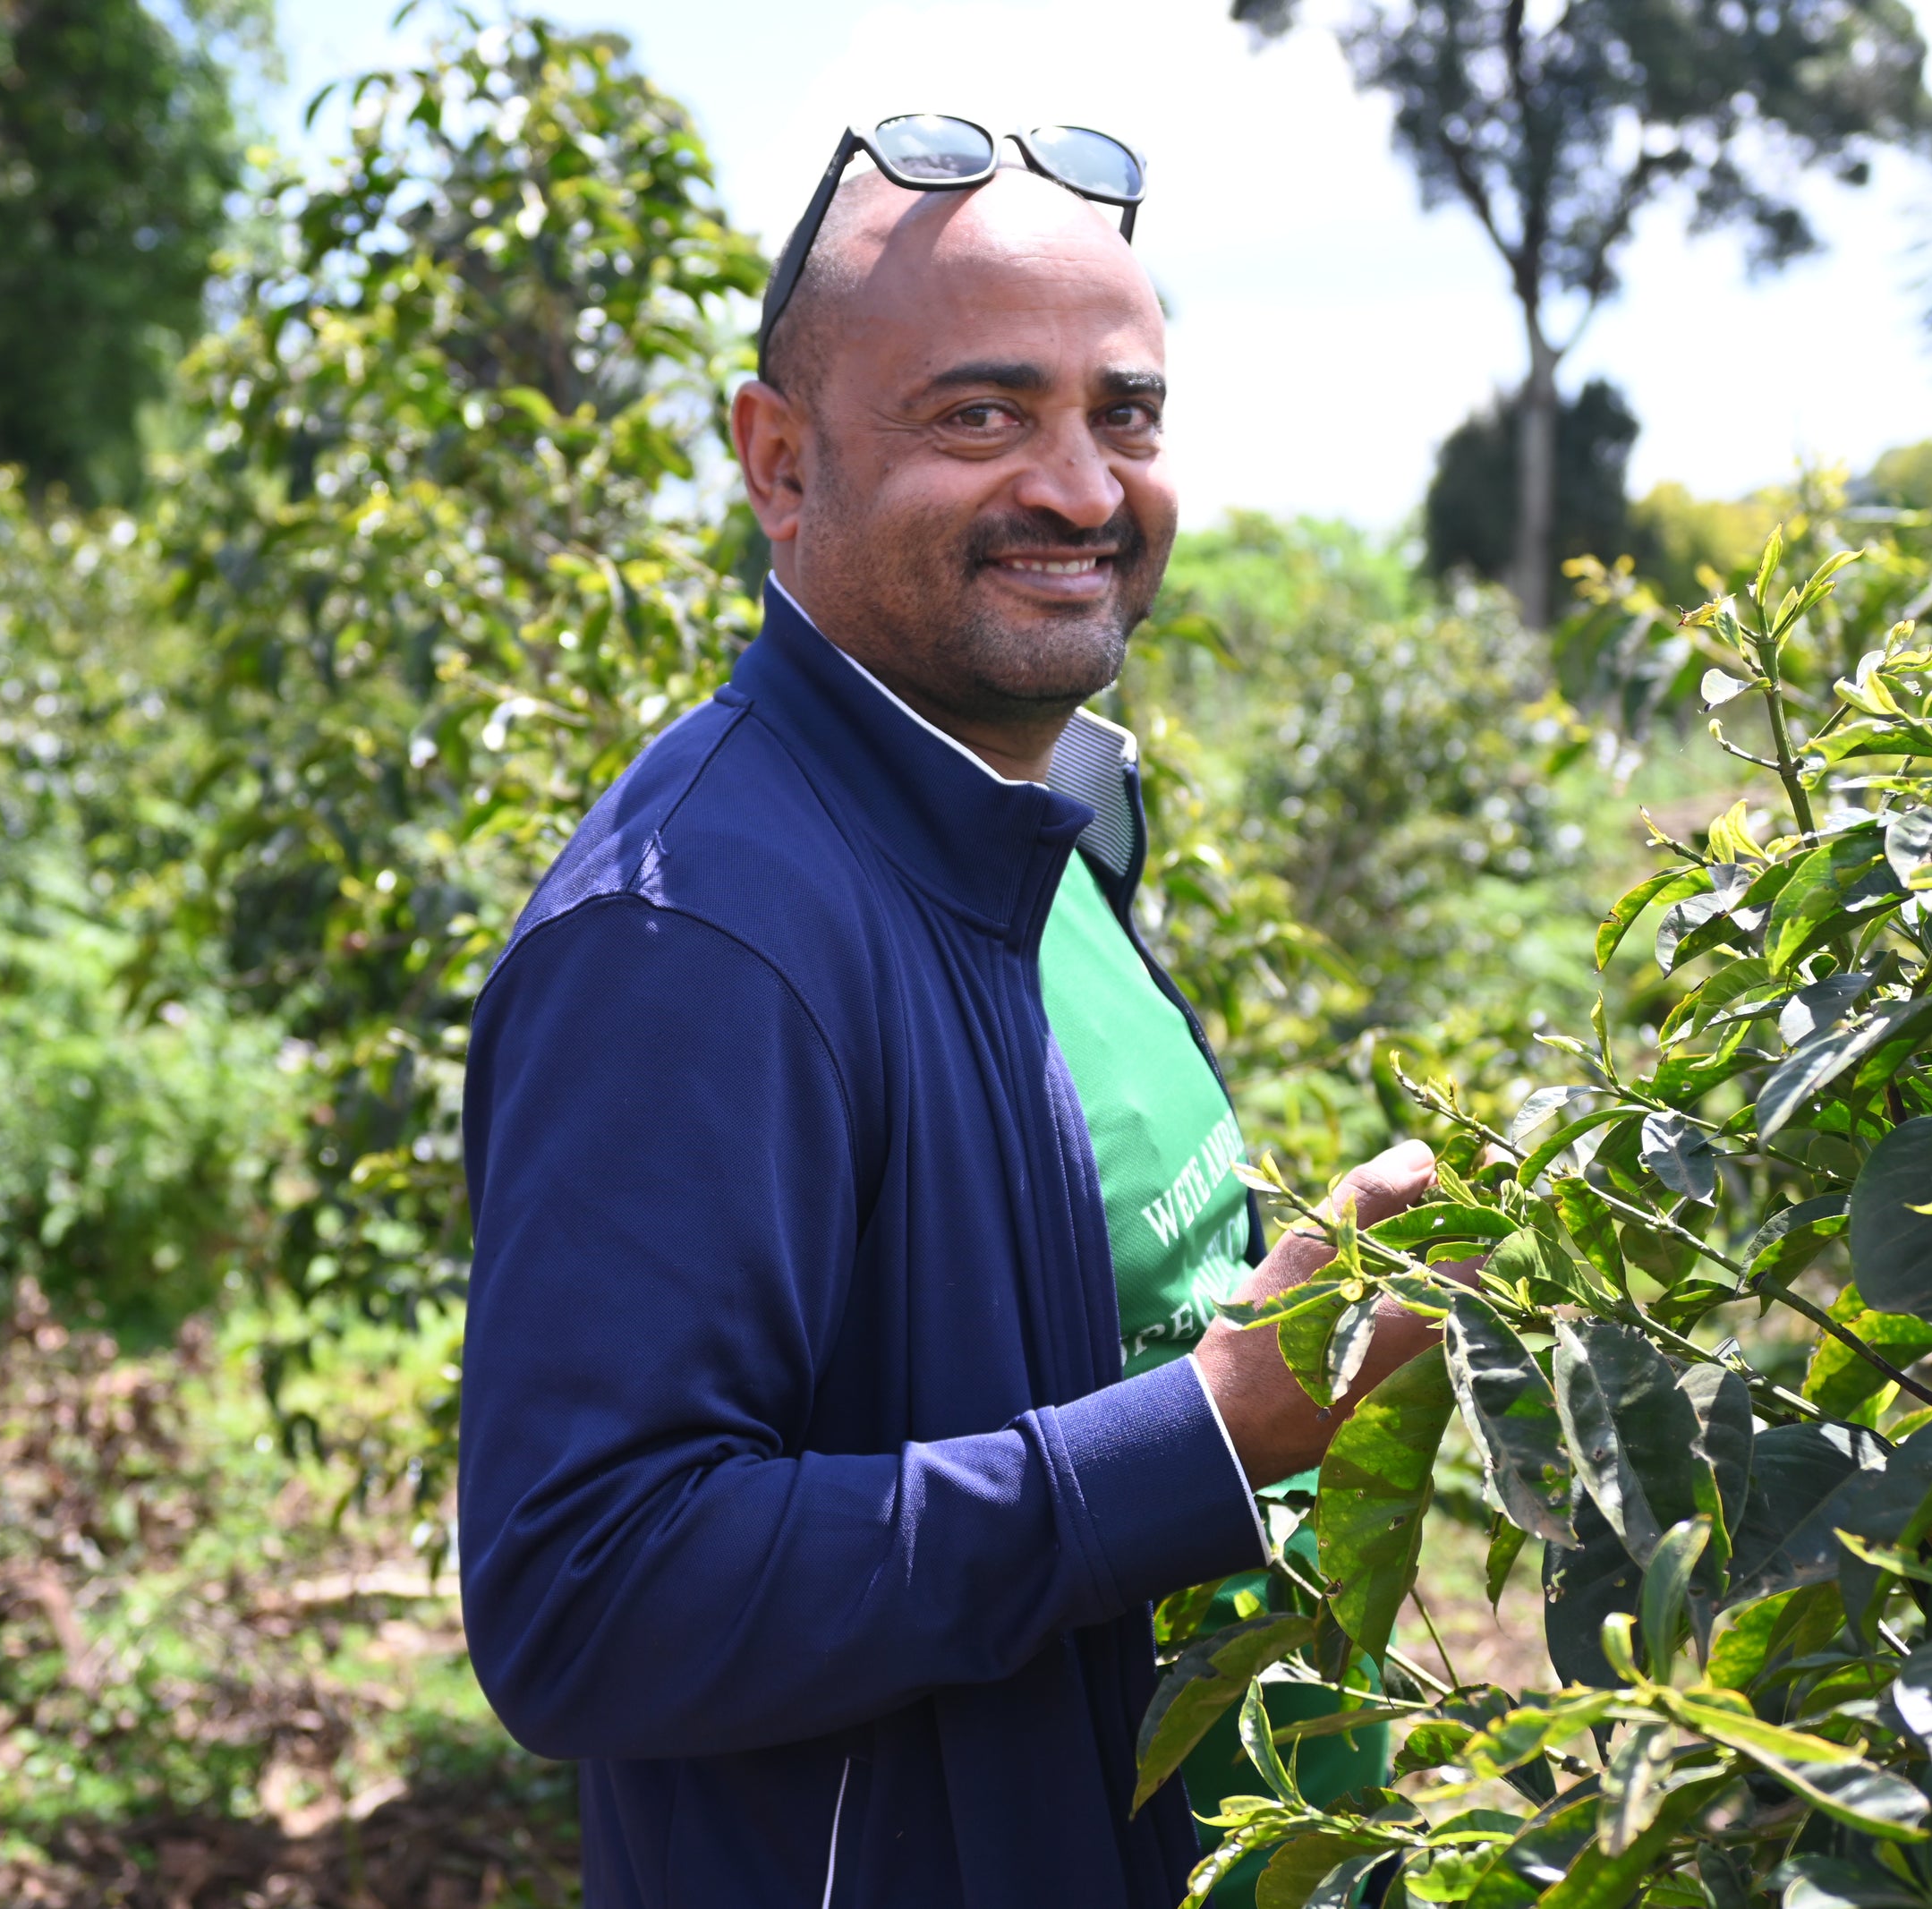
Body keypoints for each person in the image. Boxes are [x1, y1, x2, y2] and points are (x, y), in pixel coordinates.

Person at [457, 132, 1446, 1909]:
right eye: (982, 416)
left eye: (1122, 414)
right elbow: (583, 1593)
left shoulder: (1027, 823)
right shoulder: (695, 937)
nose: (1078, 486)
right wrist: (1209, 1431)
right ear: (779, 459)